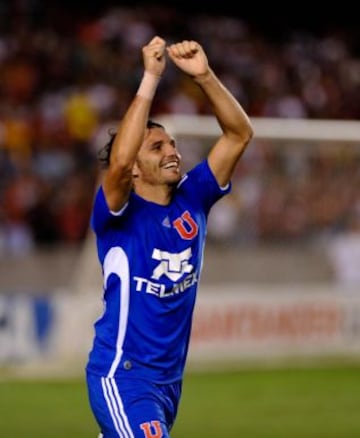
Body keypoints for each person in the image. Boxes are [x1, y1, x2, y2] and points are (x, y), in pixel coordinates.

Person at [85, 35, 253, 438]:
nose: (172, 150)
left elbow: (238, 135)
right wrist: (150, 76)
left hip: (169, 383)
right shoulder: (115, 213)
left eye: (173, 143)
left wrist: (205, 76)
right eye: (157, 146)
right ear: (137, 169)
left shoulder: (194, 197)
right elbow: (121, 162)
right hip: (123, 374)